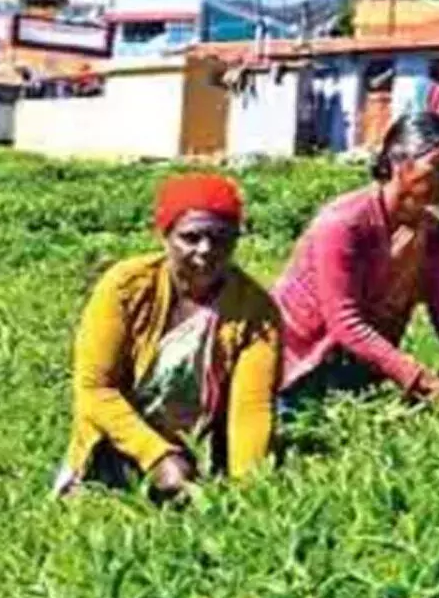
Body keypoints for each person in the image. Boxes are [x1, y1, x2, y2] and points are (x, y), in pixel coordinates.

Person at [56, 172, 282, 499]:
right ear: (165, 236)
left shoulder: (256, 310)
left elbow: (251, 411)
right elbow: (95, 390)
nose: (206, 250)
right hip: (115, 443)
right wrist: (157, 456)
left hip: (197, 451)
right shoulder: (126, 288)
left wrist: (249, 492)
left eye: (221, 238)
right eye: (191, 237)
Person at [272, 112, 439, 409]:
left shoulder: (433, 235)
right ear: (400, 162)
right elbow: (345, 323)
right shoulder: (344, 223)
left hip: (358, 369)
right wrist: (428, 385)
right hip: (296, 365)